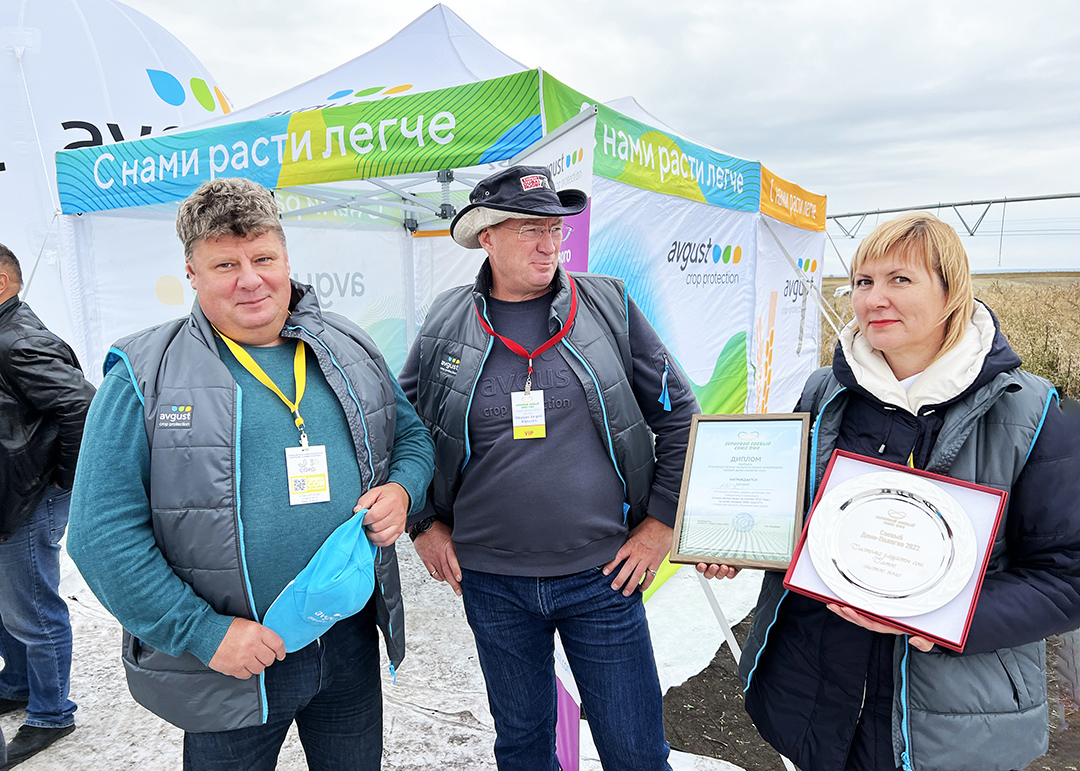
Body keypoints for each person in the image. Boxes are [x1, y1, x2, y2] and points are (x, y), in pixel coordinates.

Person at [67, 178, 434, 770]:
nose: (250, 279)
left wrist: (403, 489)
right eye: (225, 265)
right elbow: (100, 533)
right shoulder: (144, 373)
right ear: (192, 273)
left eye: (263, 258)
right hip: (233, 657)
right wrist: (202, 633)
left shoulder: (347, 346)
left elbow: (411, 437)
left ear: (286, 259)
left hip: (347, 639)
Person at [703, 212, 1080, 771]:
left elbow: (1066, 577)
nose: (874, 298)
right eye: (863, 281)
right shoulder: (826, 390)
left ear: (952, 291)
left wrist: (941, 617)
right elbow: (795, 514)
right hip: (811, 690)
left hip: (949, 719)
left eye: (900, 279)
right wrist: (739, 539)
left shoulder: (1032, 412)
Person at [400, 165, 699, 770]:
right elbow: (405, 429)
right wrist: (423, 523)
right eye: (529, 230)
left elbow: (680, 415)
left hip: (603, 576)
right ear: (487, 237)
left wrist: (662, 524)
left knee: (636, 751)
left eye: (555, 230)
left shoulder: (607, 304)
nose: (548, 245)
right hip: (491, 581)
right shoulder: (447, 318)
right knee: (523, 746)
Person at [0, 244, 94, 766]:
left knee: (33, 608)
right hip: (12, 495)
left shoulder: (17, 341)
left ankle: (51, 714)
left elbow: (83, 404)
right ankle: (17, 685)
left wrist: (61, 482)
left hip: (30, 498)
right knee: (10, 604)